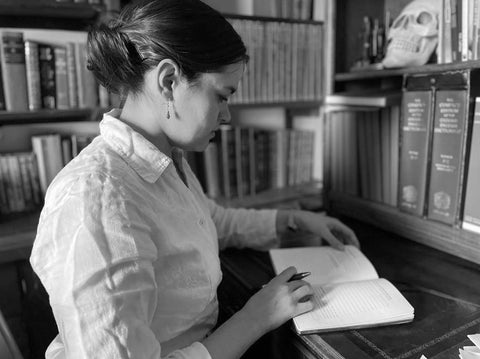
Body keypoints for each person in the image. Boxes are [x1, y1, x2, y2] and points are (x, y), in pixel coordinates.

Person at [30, 0, 359, 358]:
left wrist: (295, 219)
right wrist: (257, 316)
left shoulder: (165, 160)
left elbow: (209, 221)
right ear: (169, 81)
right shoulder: (96, 200)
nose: (227, 114)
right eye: (221, 96)